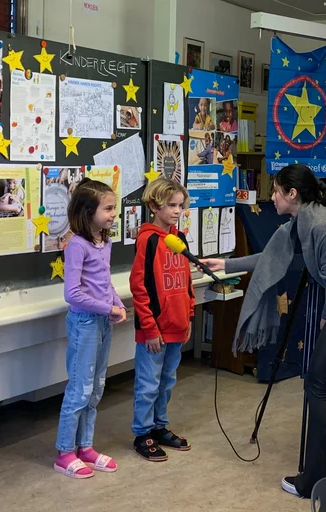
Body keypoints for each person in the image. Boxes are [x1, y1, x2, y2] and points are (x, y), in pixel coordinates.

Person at [200, 164, 326, 498]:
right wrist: (224, 264)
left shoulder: (322, 223)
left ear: (292, 194)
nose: (272, 197)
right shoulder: (304, 221)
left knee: (318, 384)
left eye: (276, 191)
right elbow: (272, 256)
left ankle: (315, 479)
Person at [53, 178, 127, 479]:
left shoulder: (104, 242)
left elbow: (103, 283)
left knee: (96, 387)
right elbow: (72, 294)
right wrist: (107, 308)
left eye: (114, 209)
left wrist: (117, 303)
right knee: (80, 389)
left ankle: (85, 446)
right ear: (87, 211)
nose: (113, 214)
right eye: (108, 209)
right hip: (84, 323)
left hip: (102, 321)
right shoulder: (76, 246)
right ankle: (64, 451)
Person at [129, 178, 195, 461]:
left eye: (180, 205)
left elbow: (187, 280)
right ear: (155, 205)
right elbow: (139, 286)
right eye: (171, 205)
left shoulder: (179, 239)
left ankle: (159, 426)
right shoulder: (148, 240)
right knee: (148, 383)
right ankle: (142, 433)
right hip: (154, 331)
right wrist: (149, 327)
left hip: (177, 326)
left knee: (167, 381)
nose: (177, 211)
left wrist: (189, 315)